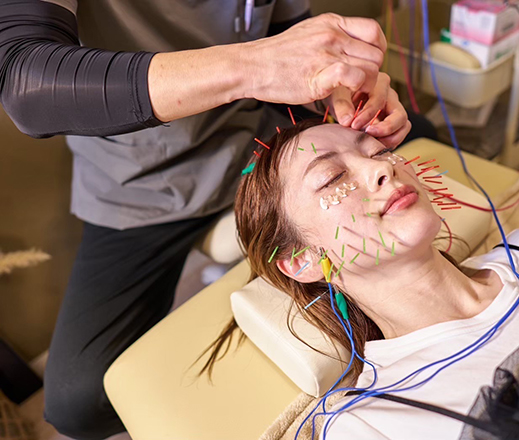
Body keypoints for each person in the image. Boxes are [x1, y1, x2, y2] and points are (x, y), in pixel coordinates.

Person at [0, 1, 413, 439]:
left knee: (422, 143)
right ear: (296, 263)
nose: (382, 169)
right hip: (140, 185)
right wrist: (254, 65)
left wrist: (333, 87)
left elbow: (287, 30)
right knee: (78, 402)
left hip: (261, 140)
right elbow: (28, 83)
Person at [201, 119, 519, 440]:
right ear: (301, 261)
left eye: (377, 150)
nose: (383, 168)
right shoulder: (370, 422)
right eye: (331, 177)